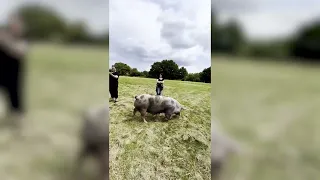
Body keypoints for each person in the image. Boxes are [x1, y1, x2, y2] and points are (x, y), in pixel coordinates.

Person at [0, 14, 28, 134]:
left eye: (17, 24)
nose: (15, 27)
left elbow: (20, 51)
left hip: (14, 75)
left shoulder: (22, 40)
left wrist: (6, 41)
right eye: (12, 23)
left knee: (15, 98)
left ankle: (18, 122)